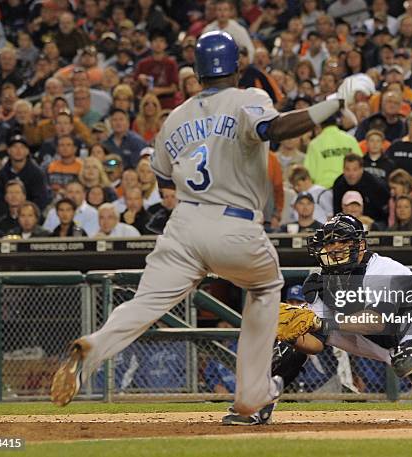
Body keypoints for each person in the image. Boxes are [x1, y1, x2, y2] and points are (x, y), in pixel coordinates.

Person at [51, 31, 357, 424]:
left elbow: (161, 176)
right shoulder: (248, 97)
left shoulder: (174, 117)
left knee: (147, 302)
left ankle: (94, 347)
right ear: (237, 66)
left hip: (184, 224)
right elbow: (274, 130)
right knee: (264, 290)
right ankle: (251, 398)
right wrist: (330, 106)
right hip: (235, 225)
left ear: (197, 70)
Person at [239, 214, 412, 425]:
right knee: (293, 333)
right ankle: (261, 402)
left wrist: (322, 323)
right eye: (328, 244)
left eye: (341, 242)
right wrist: (283, 328)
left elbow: (376, 321)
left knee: (410, 359)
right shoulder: (319, 282)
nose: (333, 249)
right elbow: (316, 342)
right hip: (374, 339)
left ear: (359, 245)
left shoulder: (386, 270)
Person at [0, 134, 50, 216]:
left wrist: (27, 214)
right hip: (7, 216)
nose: (18, 150)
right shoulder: (2, 174)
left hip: (31, 216)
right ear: (8, 150)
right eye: (14, 147)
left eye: (22, 147)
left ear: (27, 151)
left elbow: (41, 199)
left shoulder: (37, 173)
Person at [304, 113, 363, 189]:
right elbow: (360, 163)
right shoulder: (350, 139)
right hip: (349, 186)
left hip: (324, 189)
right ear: (336, 123)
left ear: (320, 125)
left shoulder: (314, 144)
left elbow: (310, 172)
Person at [332, 154, 389, 227]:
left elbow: (384, 213)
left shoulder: (375, 185)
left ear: (361, 169)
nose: (351, 174)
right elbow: (337, 211)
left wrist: (372, 224)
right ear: (343, 169)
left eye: (355, 169)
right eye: (347, 169)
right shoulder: (338, 184)